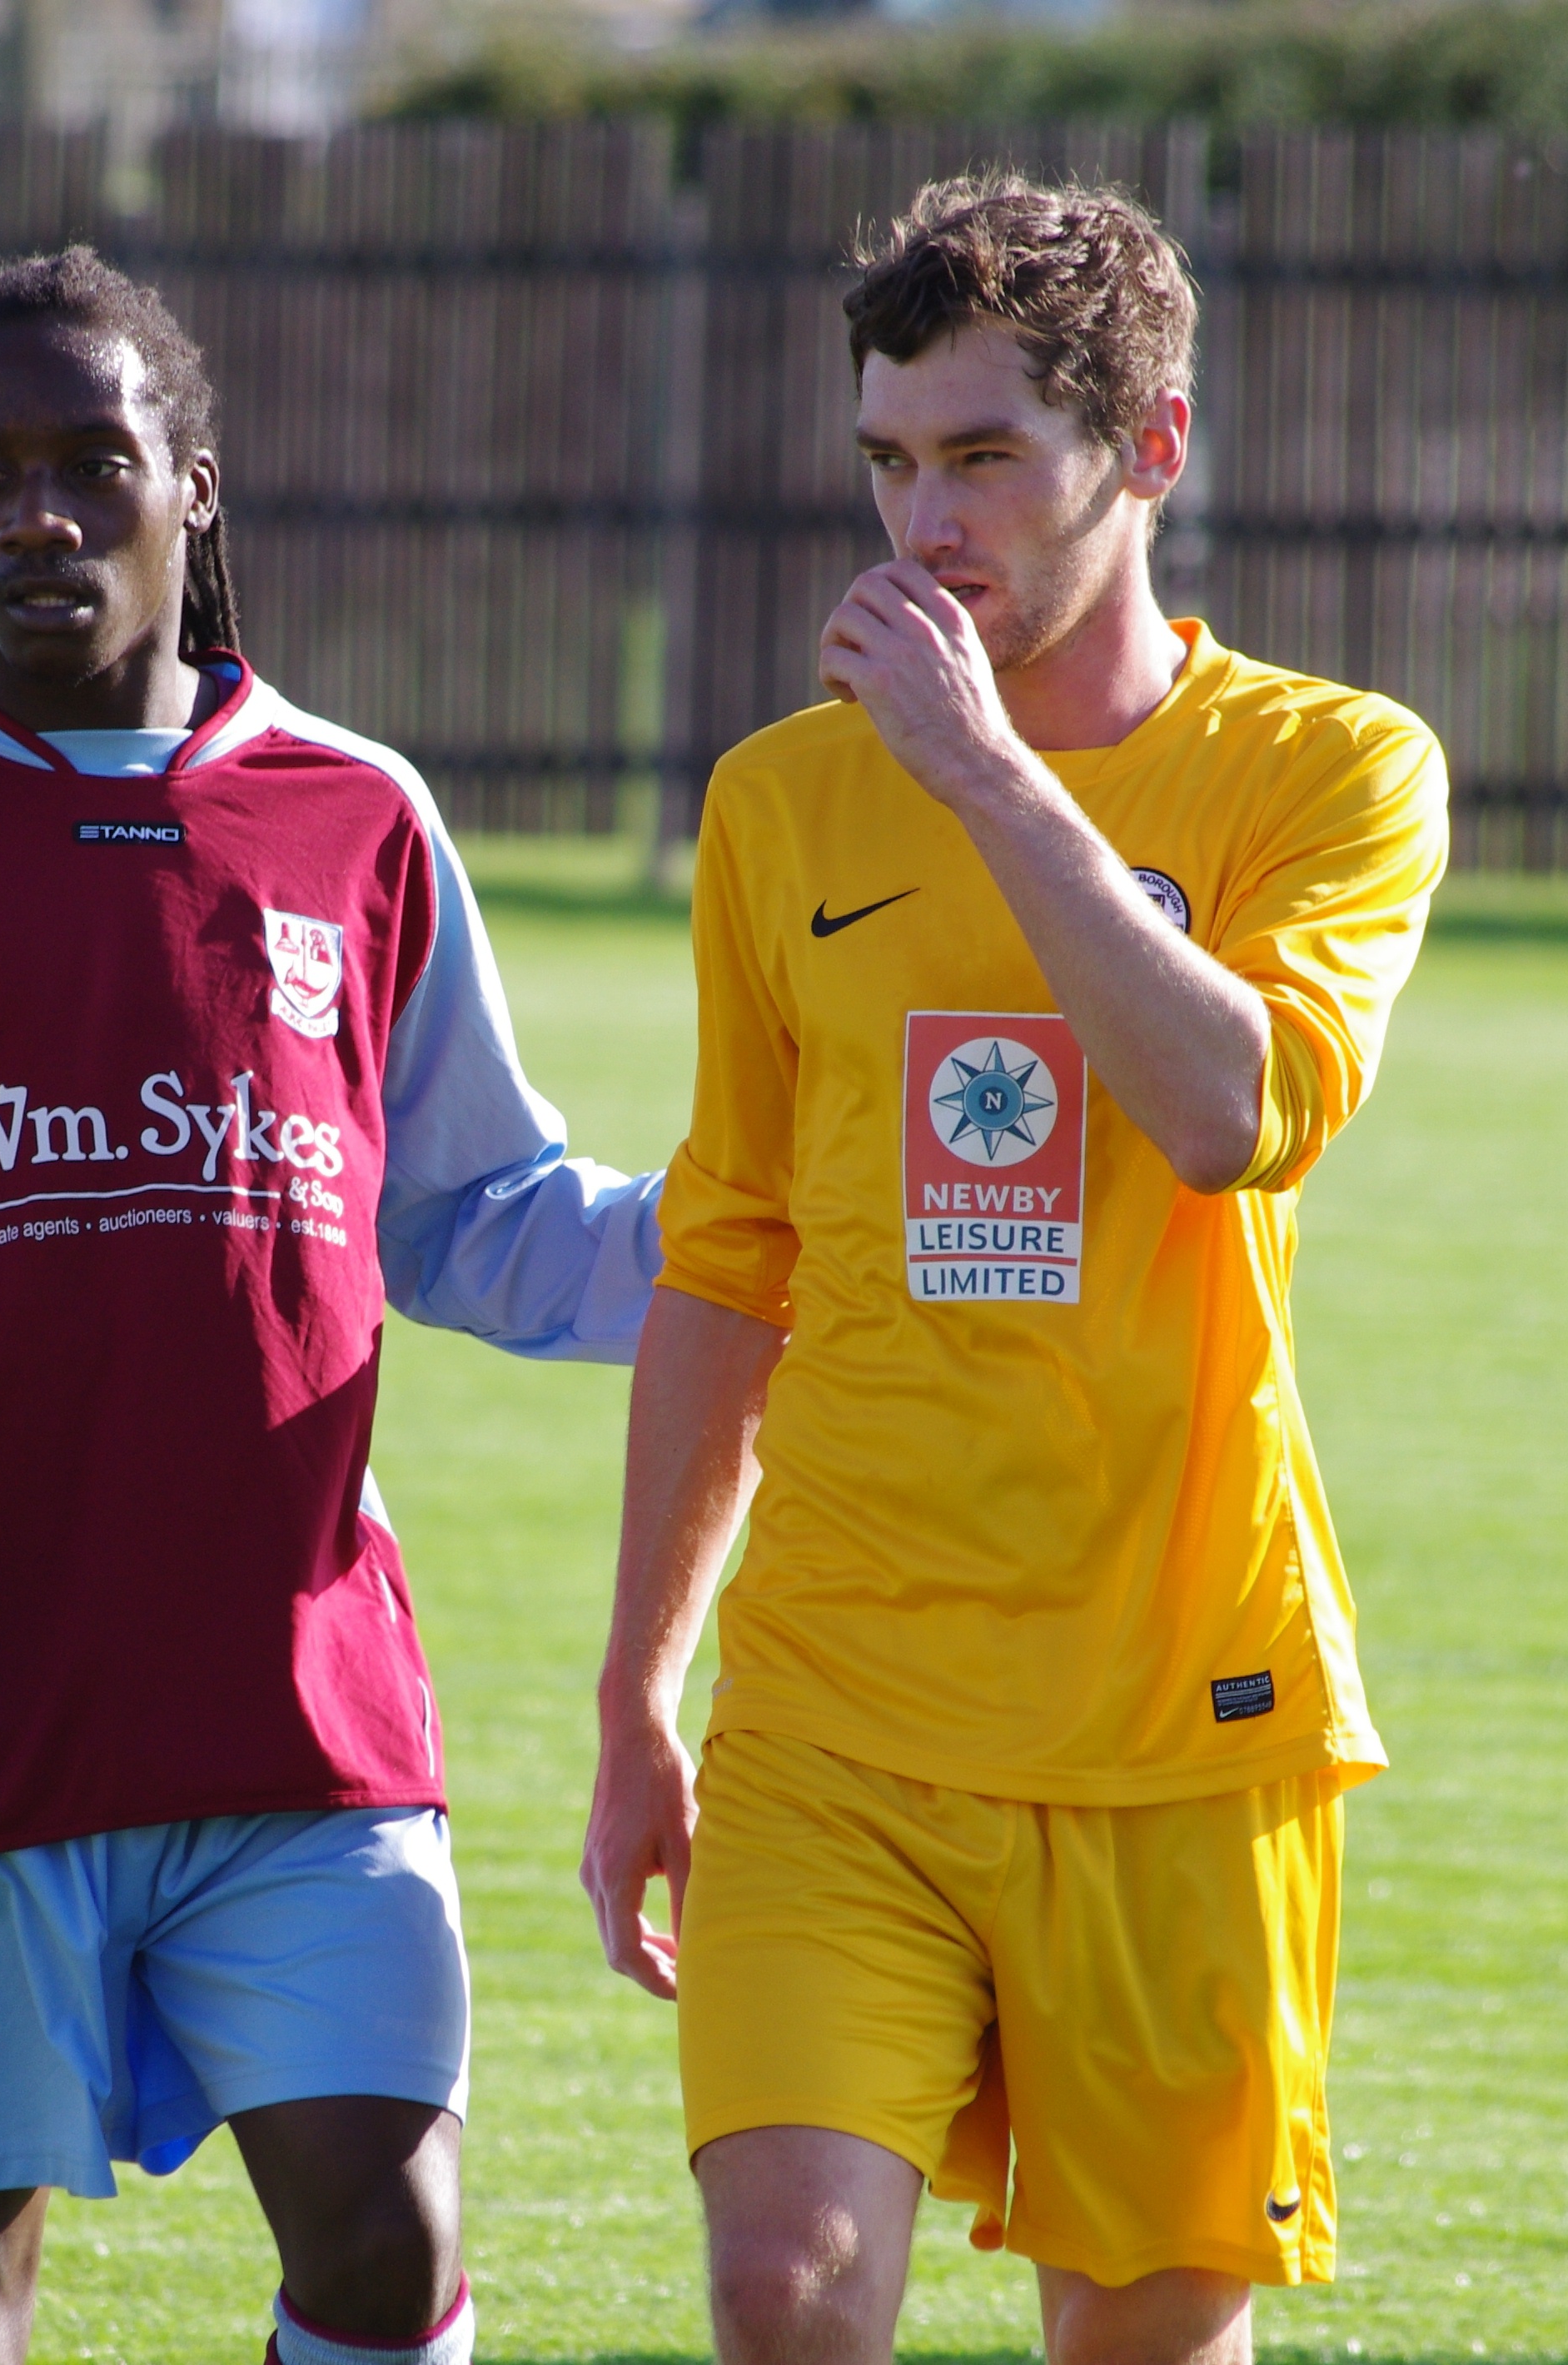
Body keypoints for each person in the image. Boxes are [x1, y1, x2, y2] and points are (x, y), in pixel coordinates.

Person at [0, 250, 661, 2365]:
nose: (35, 516)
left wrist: (779, 1249)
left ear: (193, 482)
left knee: (390, 2247)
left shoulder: (354, 819)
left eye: (90, 462)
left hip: (295, 1716)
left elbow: (476, 1214)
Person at [581, 175, 1448, 2365]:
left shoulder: (1331, 770)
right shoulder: (778, 806)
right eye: (889, 459)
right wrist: (633, 1694)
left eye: (983, 457)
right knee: (784, 2292)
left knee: (1140, 2342)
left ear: (1149, 449)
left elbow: (1225, 1106)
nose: (923, 520)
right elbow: (729, 1257)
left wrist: (978, 776)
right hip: (837, 1708)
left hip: (1179, 1709)